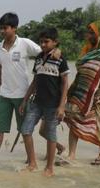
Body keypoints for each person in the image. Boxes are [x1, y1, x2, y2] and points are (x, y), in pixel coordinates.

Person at [0, 12, 44, 169]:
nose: (2, 31)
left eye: (5, 28)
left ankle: (31, 161)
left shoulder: (25, 44)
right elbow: (1, 71)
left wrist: (56, 52)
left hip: (22, 95)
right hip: (4, 95)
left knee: (25, 130)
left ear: (14, 28)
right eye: (0, 28)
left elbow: (44, 53)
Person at [64, 21, 100, 165]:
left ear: (99, 34)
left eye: (92, 32)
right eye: (88, 31)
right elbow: (82, 68)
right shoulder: (87, 49)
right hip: (82, 91)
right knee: (74, 118)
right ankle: (71, 155)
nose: (88, 35)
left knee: (99, 121)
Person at [18, 27, 70, 176]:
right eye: (41, 42)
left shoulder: (60, 59)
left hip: (53, 105)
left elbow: (65, 83)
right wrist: (24, 100)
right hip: (37, 102)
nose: (43, 44)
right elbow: (35, 81)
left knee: (50, 134)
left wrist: (61, 106)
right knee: (25, 130)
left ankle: (50, 168)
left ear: (55, 42)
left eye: (46, 41)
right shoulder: (39, 58)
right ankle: (32, 163)